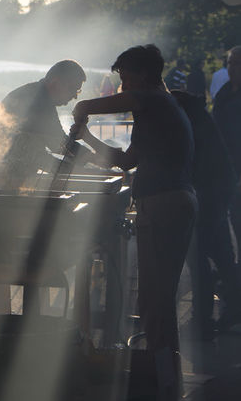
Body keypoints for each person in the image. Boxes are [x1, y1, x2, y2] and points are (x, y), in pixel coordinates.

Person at [72, 45, 196, 401]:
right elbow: (125, 162)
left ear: (143, 75)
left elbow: (118, 103)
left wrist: (84, 108)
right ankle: (166, 376)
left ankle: (160, 383)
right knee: (157, 300)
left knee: (154, 301)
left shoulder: (155, 100)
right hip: (171, 202)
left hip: (163, 204)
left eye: (125, 78)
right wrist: (88, 139)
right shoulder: (155, 113)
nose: (123, 86)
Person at [171, 89, 241, 338]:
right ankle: (233, 306)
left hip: (208, 192)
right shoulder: (196, 112)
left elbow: (185, 159)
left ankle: (202, 320)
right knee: (220, 252)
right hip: (219, 187)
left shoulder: (181, 117)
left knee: (198, 254)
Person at [0, 60, 93, 191]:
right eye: (72, 89)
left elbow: (57, 144)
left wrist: (87, 159)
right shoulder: (36, 102)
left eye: (77, 91)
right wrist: (88, 161)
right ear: (56, 83)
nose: (74, 96)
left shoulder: (40, 96)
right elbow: (57, 144)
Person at [212, 46, 241, 265]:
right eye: (230, 63)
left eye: (237, 63)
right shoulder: (224, 93)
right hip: (225, 170)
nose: (232, 68)